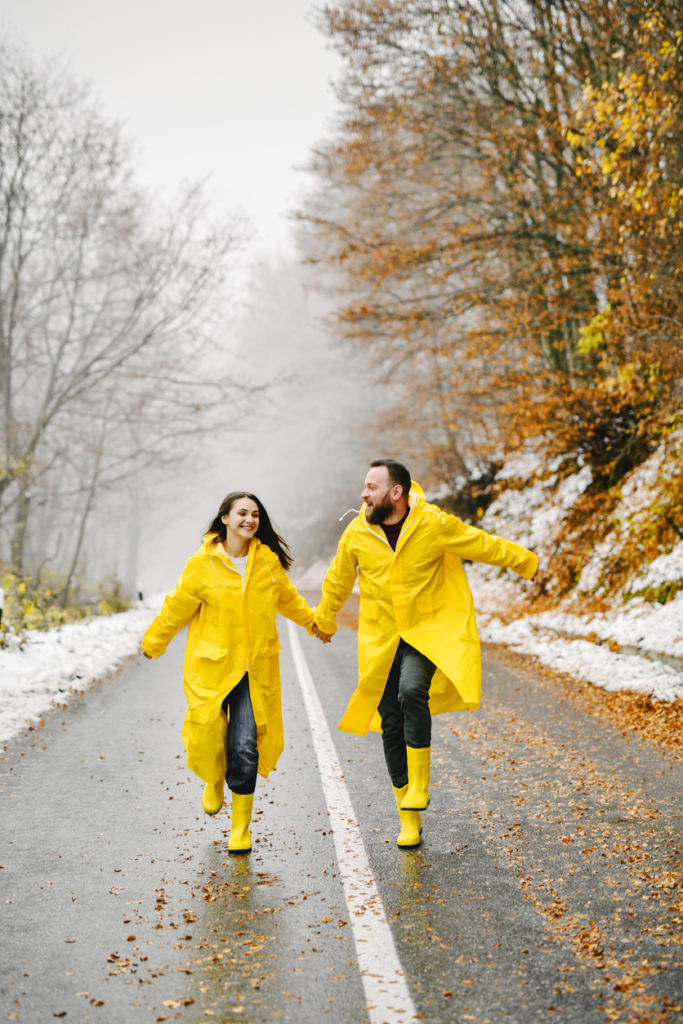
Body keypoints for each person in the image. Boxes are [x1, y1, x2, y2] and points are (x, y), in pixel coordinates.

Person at [312, 459, 538, 849]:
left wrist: (523, 561)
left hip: (424, 633)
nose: (363, 494)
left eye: (371, 486)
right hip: (381, 639)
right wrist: (325, 618)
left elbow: (480, 542)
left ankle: (419, 787)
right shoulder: (357, 533)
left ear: (395, 492)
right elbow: (337, 579)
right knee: (390, 723)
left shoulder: (432, 524)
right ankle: (408, 816)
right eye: (364, 487)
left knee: (413, 691)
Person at [142, 492, 316, 854]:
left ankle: (240, 829)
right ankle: (213, 777)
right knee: (207, 735)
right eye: (242, 513)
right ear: (224, 518)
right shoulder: (202, 564)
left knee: (245, 745)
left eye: (255, 515)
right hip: (213, 666)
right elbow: (177, 606)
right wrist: (155, 640)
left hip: (254, 668)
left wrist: (315, 623)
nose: (250, 520)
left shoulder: (267, 562)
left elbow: (289, 600)